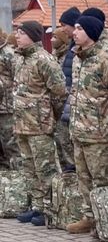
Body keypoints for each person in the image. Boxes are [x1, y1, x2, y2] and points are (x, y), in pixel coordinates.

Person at [66, 14, 108, 234]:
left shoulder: (104, 59)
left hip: (99, 132)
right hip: (79, 130)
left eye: (80, 29)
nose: (74, 32)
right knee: (84, 178)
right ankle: (89, 217)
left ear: (91, 33)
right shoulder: (78, 59)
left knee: (104, 179)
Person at [13, 21, 67, 227]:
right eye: (17, 33)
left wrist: (47, 113)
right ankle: (36, 205)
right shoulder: (20, 59)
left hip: (39, 124)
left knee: (45, 168)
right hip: (22, 124)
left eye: (21, 33)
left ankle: (48, 207)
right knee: (29, 166)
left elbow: (59, 91)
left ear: (33, 36)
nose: (17, 36)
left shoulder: (44, 60)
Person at [53, 8, 80, 172]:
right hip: (66, 105)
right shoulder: (72, 48)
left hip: (74, 108)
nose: (63, 29)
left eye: (65, 25)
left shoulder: (76, 49)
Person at [0, 26, 20, 170]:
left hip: (7, 108)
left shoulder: (8, 53)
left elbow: (18, 79)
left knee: (11, 145)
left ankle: (16, 176)